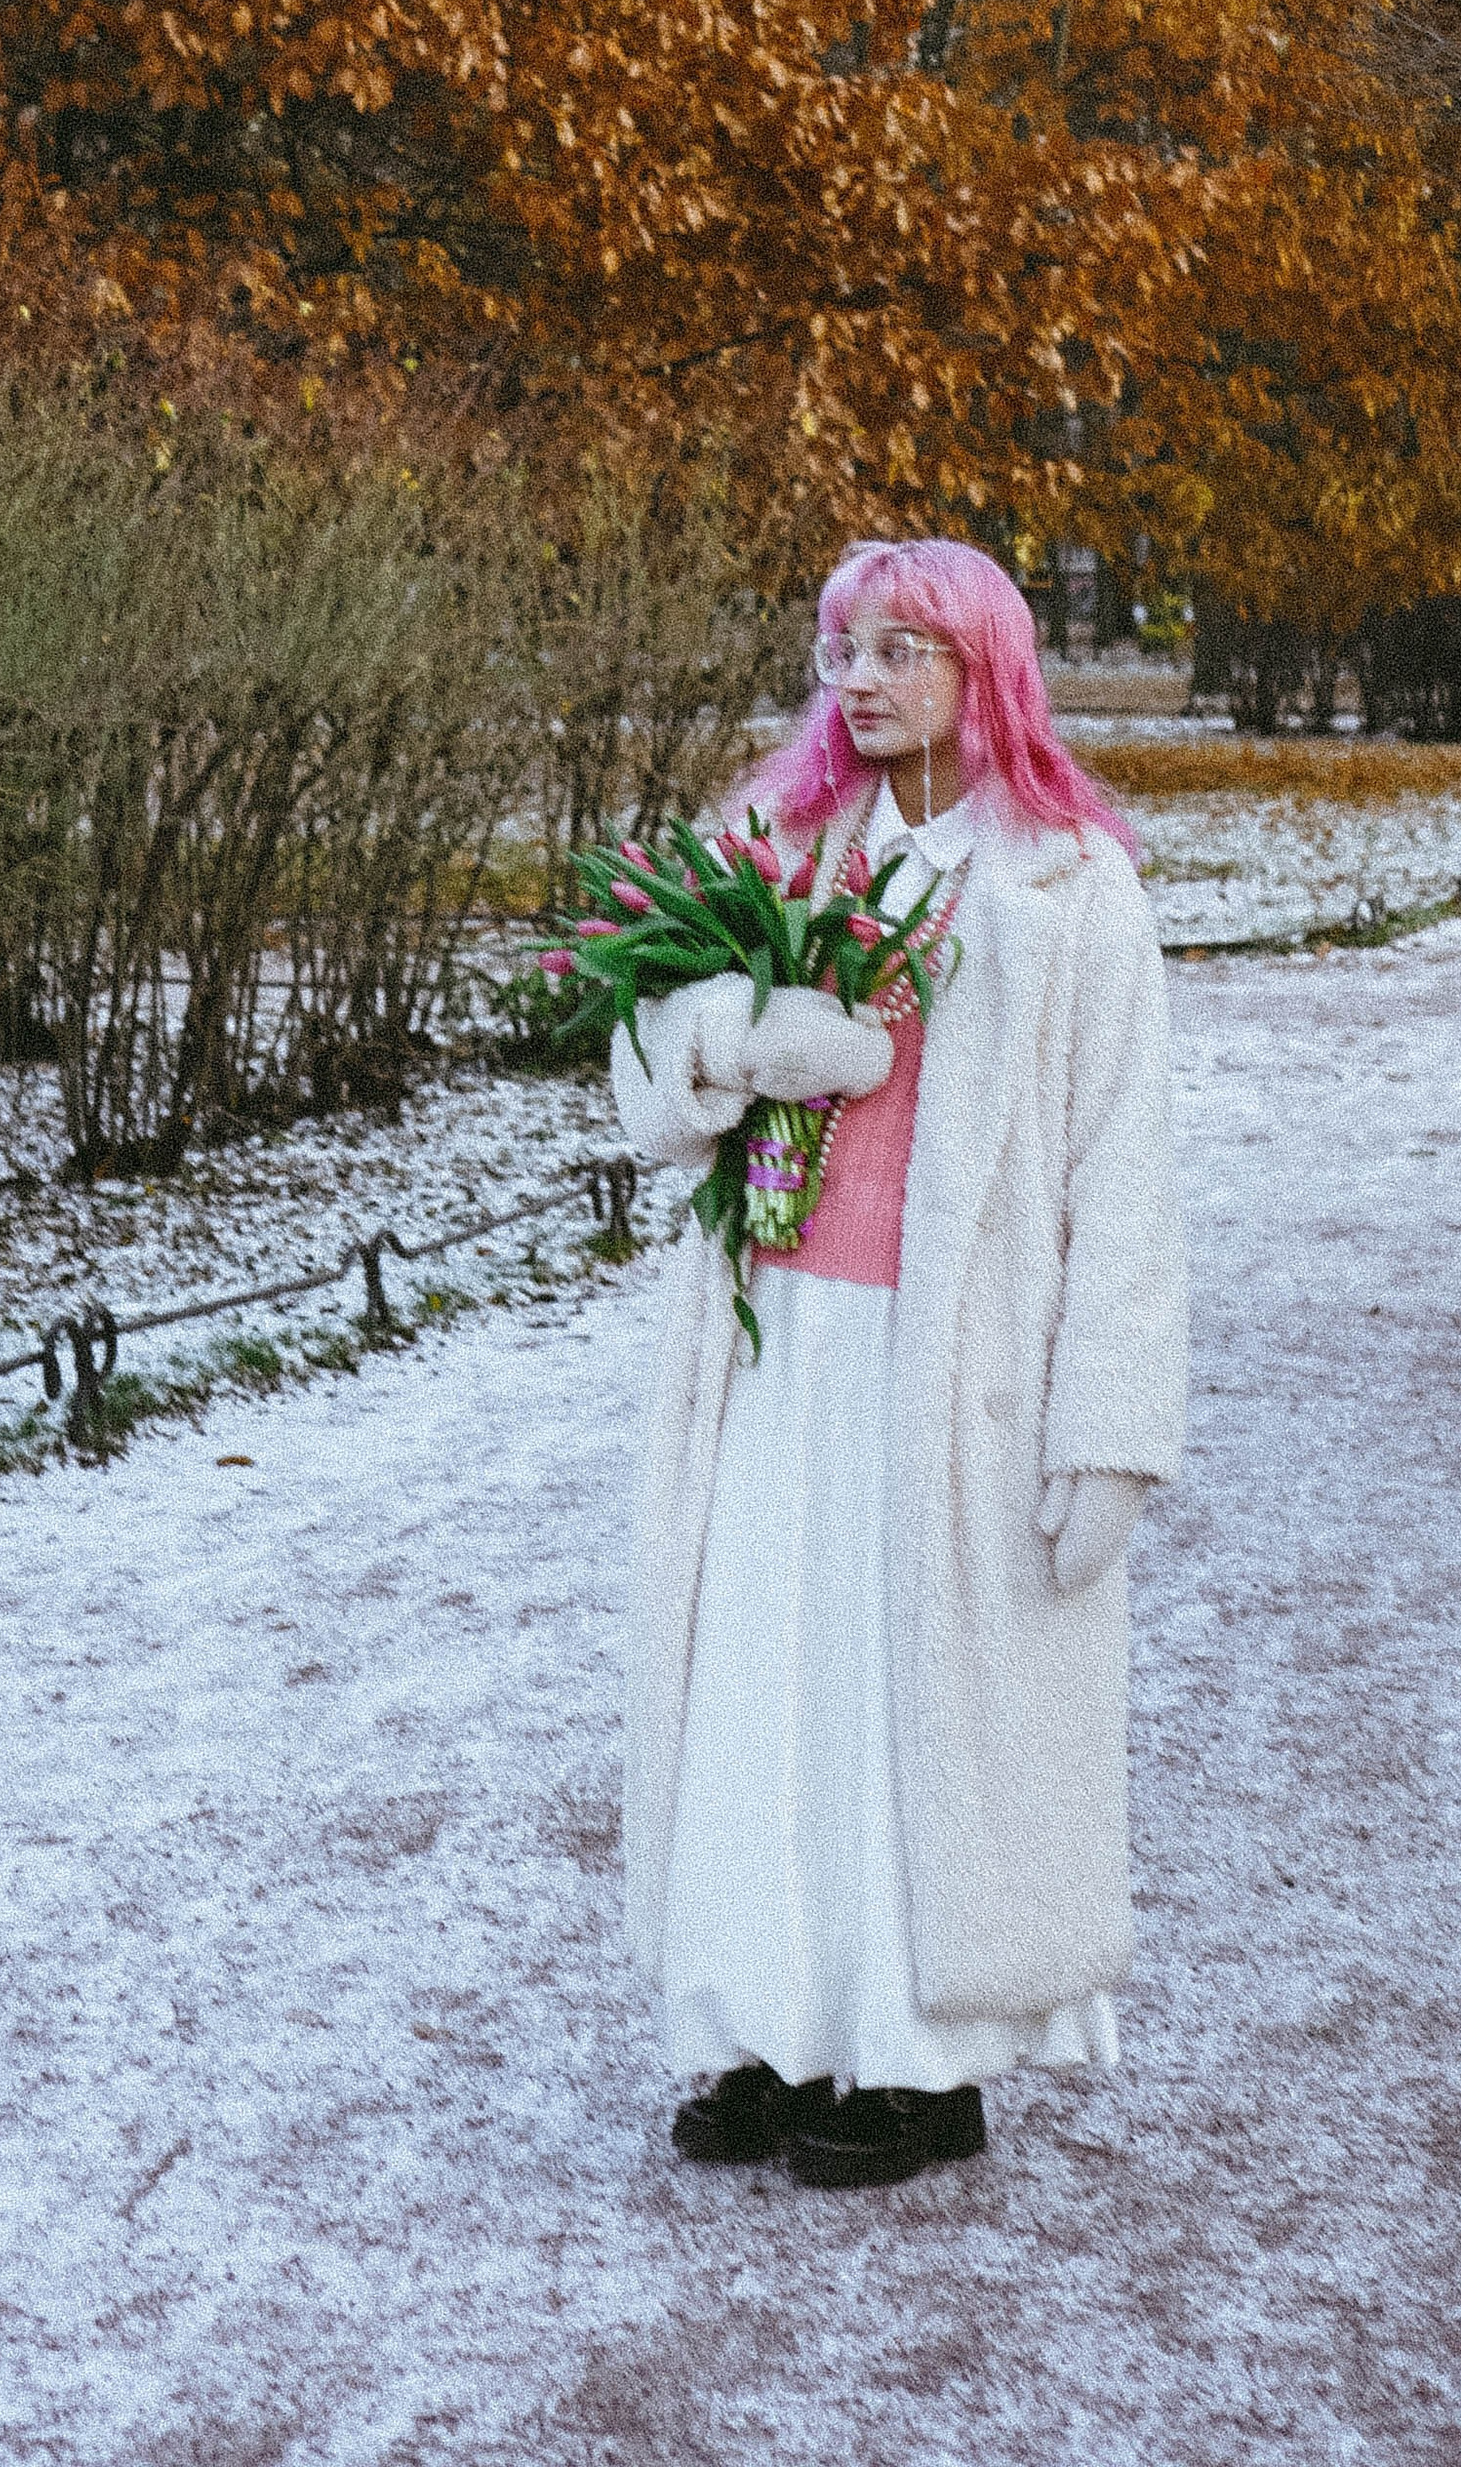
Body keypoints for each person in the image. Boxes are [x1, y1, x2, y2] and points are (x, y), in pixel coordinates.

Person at [611, 537, 1185, 2192]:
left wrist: (1114, 1433)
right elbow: (643, 1076)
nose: (857, 681)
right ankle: (770, 2027)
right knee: (760, 1694)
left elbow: (1120, 1178)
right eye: (839, 650)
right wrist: (735, 1039)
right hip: (774, 1345)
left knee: (903, 1705)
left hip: (961, 1375)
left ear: (984, 669)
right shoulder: (776, 848)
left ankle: (919, 2065)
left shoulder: (1069, 885)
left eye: (898, 650)